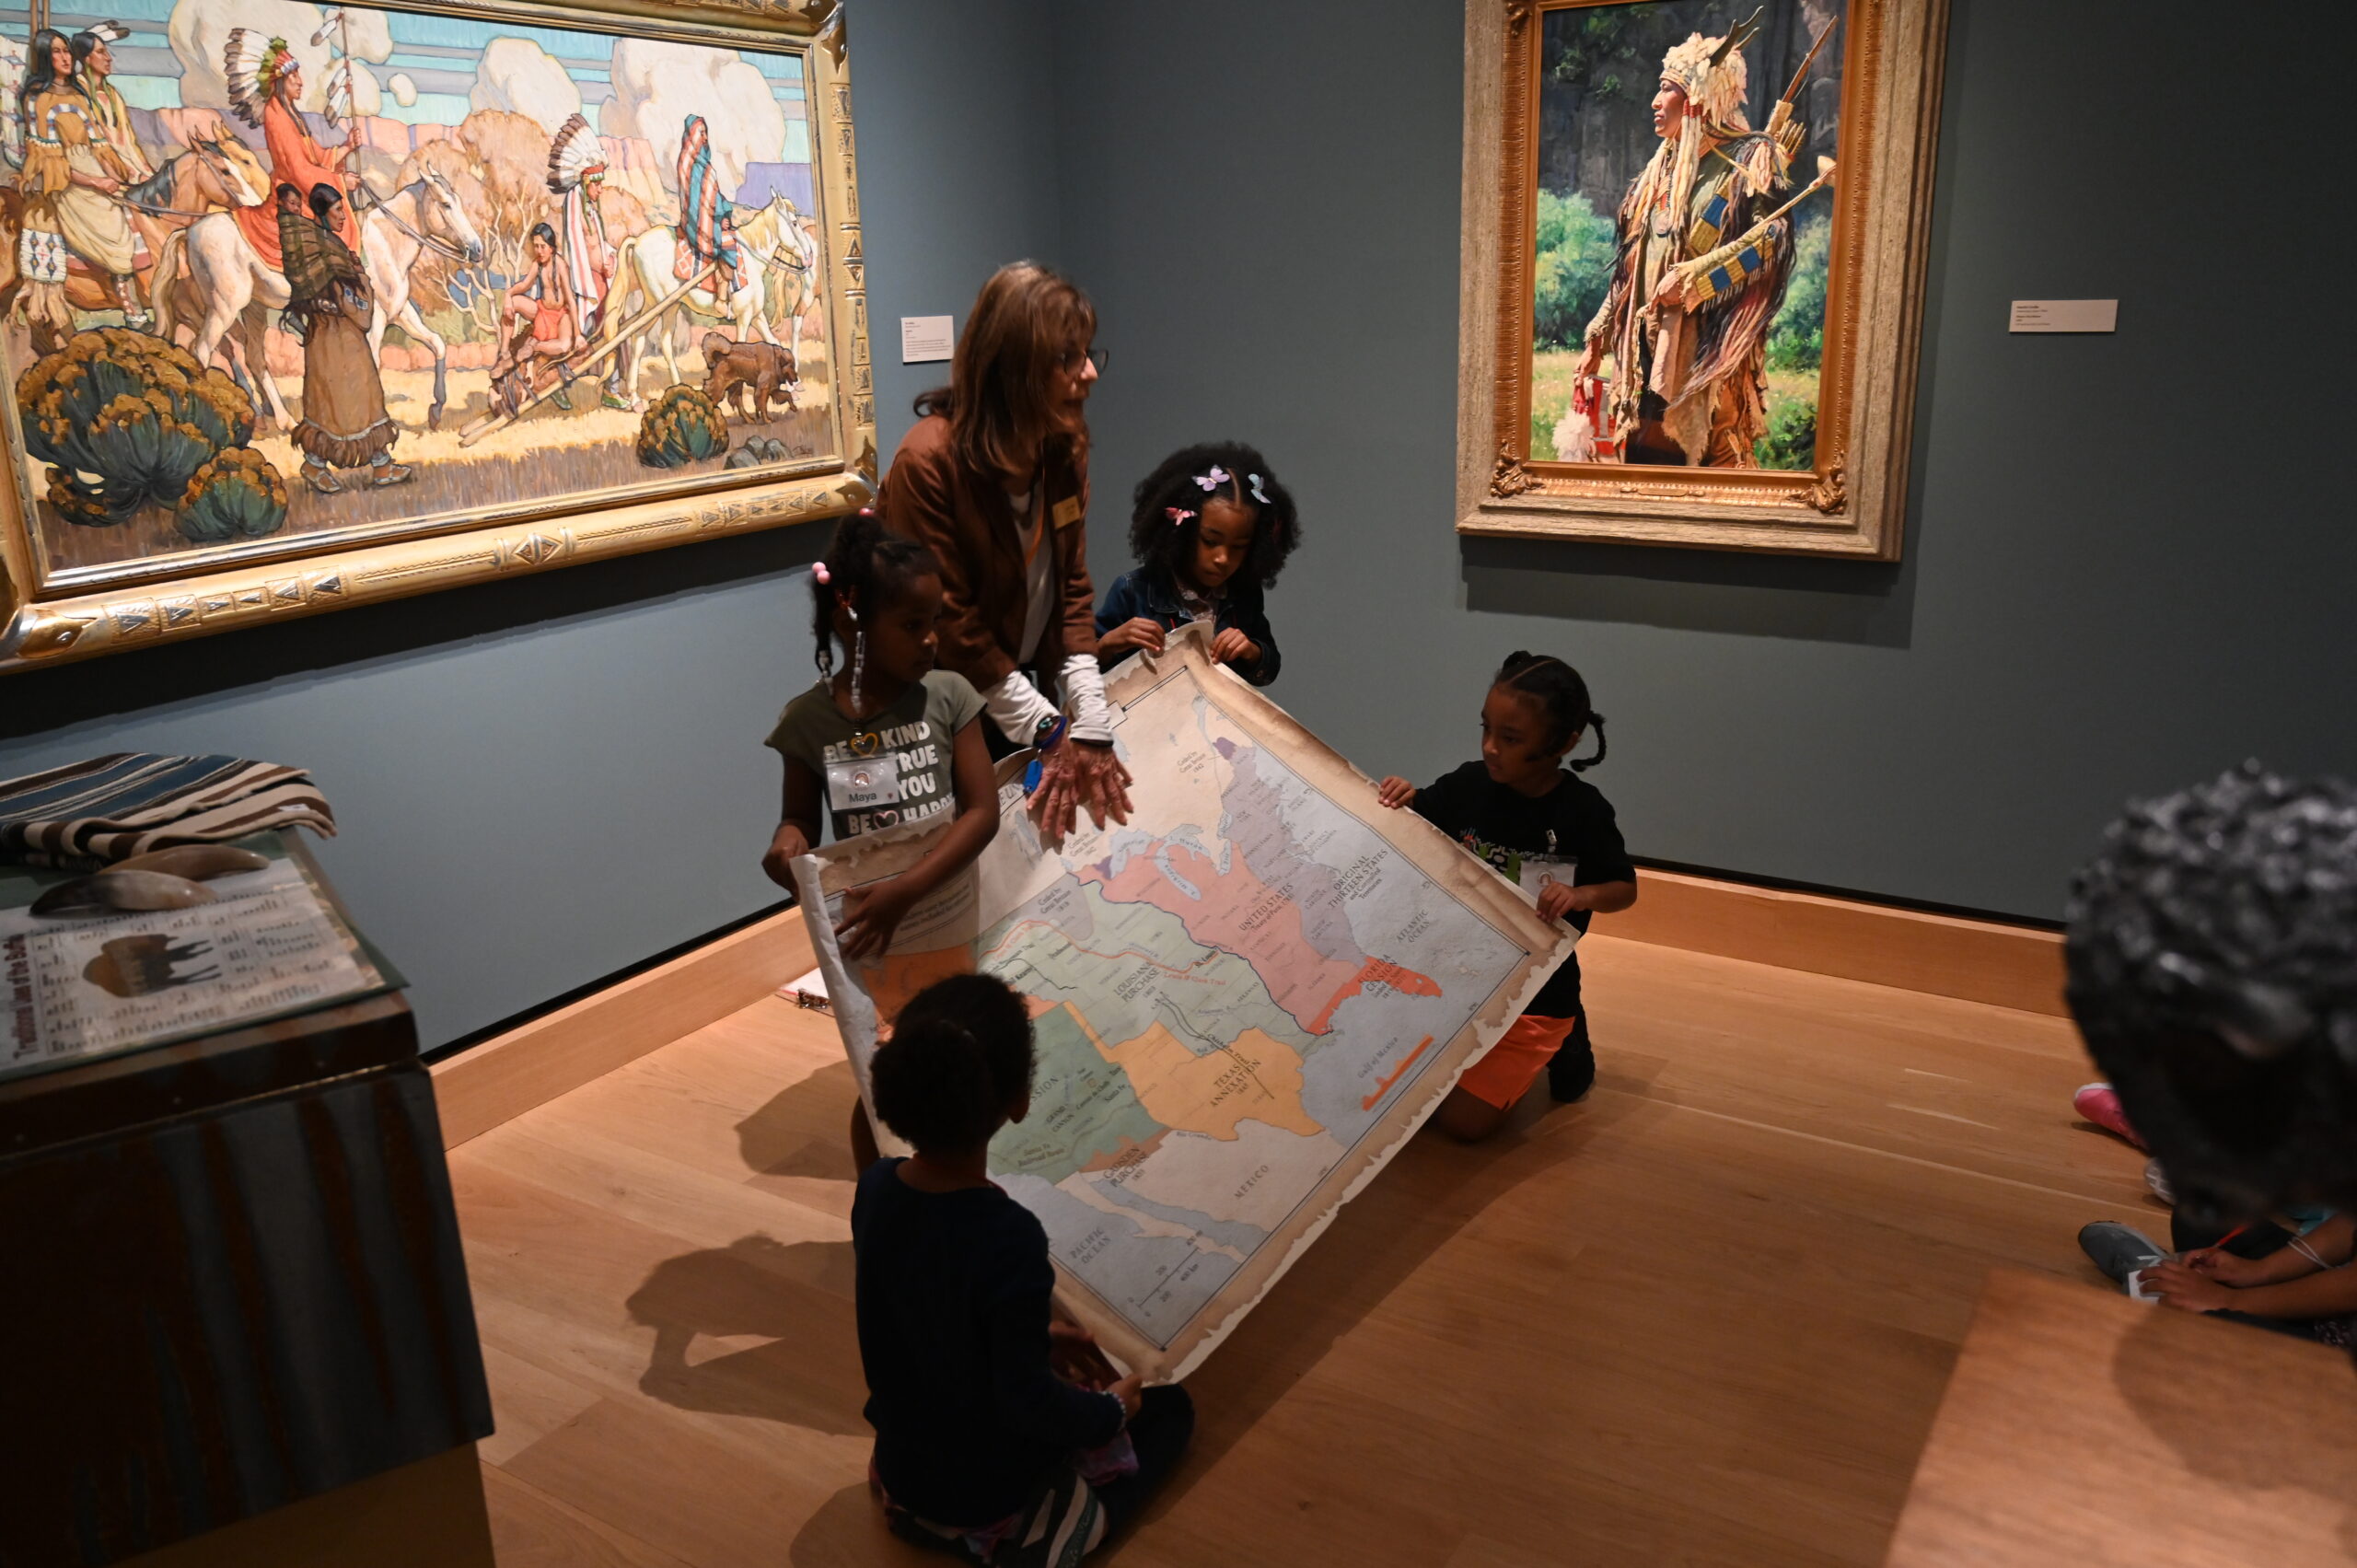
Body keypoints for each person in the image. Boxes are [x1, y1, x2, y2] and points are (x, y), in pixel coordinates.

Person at [853, 972, 1195, 1561]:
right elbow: (1027, 1403)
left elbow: (925, 1313)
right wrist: (1111, 1412)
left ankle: (918, 1509)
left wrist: (1033, 1336)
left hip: (904, 1462)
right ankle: (1032, 1534)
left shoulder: (876, 1189)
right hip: (981, 1492)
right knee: (1170, 1412)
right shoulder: (1007, 1236)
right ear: (1018, 1101)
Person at [761, 510, 1000, 1167]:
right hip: (875, 932)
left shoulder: (949, 697)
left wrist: (909, 889)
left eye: (935, 621)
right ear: (851, 623)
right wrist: (787, 846)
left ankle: (959, 1185)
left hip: (947, 917)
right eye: (913, 625)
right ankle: (883, 1197)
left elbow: (982, 812)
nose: (931, 639)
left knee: (963, 1060)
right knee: (887, 1076)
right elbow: (800, 819)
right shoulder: (808, 722)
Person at [880, 261, 1129, 846]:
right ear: (1012, 370)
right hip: (934, 716)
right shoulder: (928, 463)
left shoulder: (1061, 453)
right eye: (1068, 359)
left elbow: (1071, 588)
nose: (1090, 373)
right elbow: (952, 626)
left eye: (1089, 354)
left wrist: (1090, 718)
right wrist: (1047, 727)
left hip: (1014, 697)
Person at [1376, 653, 1637, 1142]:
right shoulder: (1467, 785)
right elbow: (1415, 824)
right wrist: (1402, 797)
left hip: (1537, 989)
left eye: (1511, 738)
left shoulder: (1583, 810)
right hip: (1460, 975)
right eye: (1486, 729)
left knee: (1462, 1125)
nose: (1491, 747)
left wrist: (1582, 894)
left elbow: (1625, 889)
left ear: (1563, 743)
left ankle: (1568, 1036)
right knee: (1381, 1082)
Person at [1573, 19, 1795, 467]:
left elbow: (1772, 237)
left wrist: (1696, 279)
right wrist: (1597, 336)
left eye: (1666, 89)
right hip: (1644, 354)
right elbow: (1632, 267)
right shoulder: (1660, 171)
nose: (1655, 102)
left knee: (1709, 472)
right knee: (1642, 468)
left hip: (1704, 357)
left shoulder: (1749, 157)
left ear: (1697, 96)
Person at [1094, 443, 1297, 687]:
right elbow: (1081, 673)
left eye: (1239, 546)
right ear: (1183, 533)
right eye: (1210, 541)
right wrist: (1107, 645)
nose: (1223, 558)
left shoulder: (1245, 595)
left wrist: (1252, 652)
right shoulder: (1133, 590)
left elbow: (1269, 670)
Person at [279, 182, 407, 493]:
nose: (343, 217)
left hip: (333, 338)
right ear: (322, 213)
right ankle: (316, 465)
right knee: (338, 403)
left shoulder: (322, 247)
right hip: (337, 340)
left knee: (359, 400)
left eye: (343, 210)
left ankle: (381, 464)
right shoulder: (329, 252)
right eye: (338, 210)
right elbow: (361, 314)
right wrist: (361, 275)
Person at [17, 26, 144, 336]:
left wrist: (117, 178)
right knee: (114, 231)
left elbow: (100, 146)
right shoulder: (37, 98)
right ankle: (132, 311)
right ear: (45, 57)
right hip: (65, 183)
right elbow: (49, 162)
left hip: (94, 171)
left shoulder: (78, 95)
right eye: (56, 52)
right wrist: (96, 183)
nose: (65, 58)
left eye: (66, 51)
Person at [227, 32, 355, 273]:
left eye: (298, 75)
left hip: (306, 188)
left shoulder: (292, 115)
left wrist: (348, 146)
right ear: (279, 81)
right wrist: (339, 182)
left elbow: (317, 157)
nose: (300, 82)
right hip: (293, 196)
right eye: (293, 76)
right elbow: (298, 170)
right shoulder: (276, 116)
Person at [547, 112, 632, 410]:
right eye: (597, 185)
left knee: (613, 332)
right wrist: (586, 288)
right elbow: (577, 248)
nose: (600, 189)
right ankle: (557, 382)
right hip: (584, 286)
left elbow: (599, 243)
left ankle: (612, 388)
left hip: (601, 282)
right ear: (586, 183)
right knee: (579, 335)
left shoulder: (592, 211)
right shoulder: (575, 206)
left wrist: (610, 259)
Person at [491, 221, 581, 413]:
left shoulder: (560, 265)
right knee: (515, 302)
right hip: (541, 310)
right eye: (536, 246)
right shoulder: (537, 264)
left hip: (561, 315)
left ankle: (533, 347)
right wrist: (508, 296)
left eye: (542, 246)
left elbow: (571, 299)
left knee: (564, 346)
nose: (539, 251)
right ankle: (504, 353)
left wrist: (578, 334)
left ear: (551, 247)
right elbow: (524, 285)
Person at [674, 113, 741, 306]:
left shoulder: (703, 163)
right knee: (727, 243)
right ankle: (721, 298)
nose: (705, 138)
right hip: (697, 222)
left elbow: (715, 196)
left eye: (706, 133)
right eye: (701, 133)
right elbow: (697, 203)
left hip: (710, 218)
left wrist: (724, 213)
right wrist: (718, 221)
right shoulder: (691, 164)